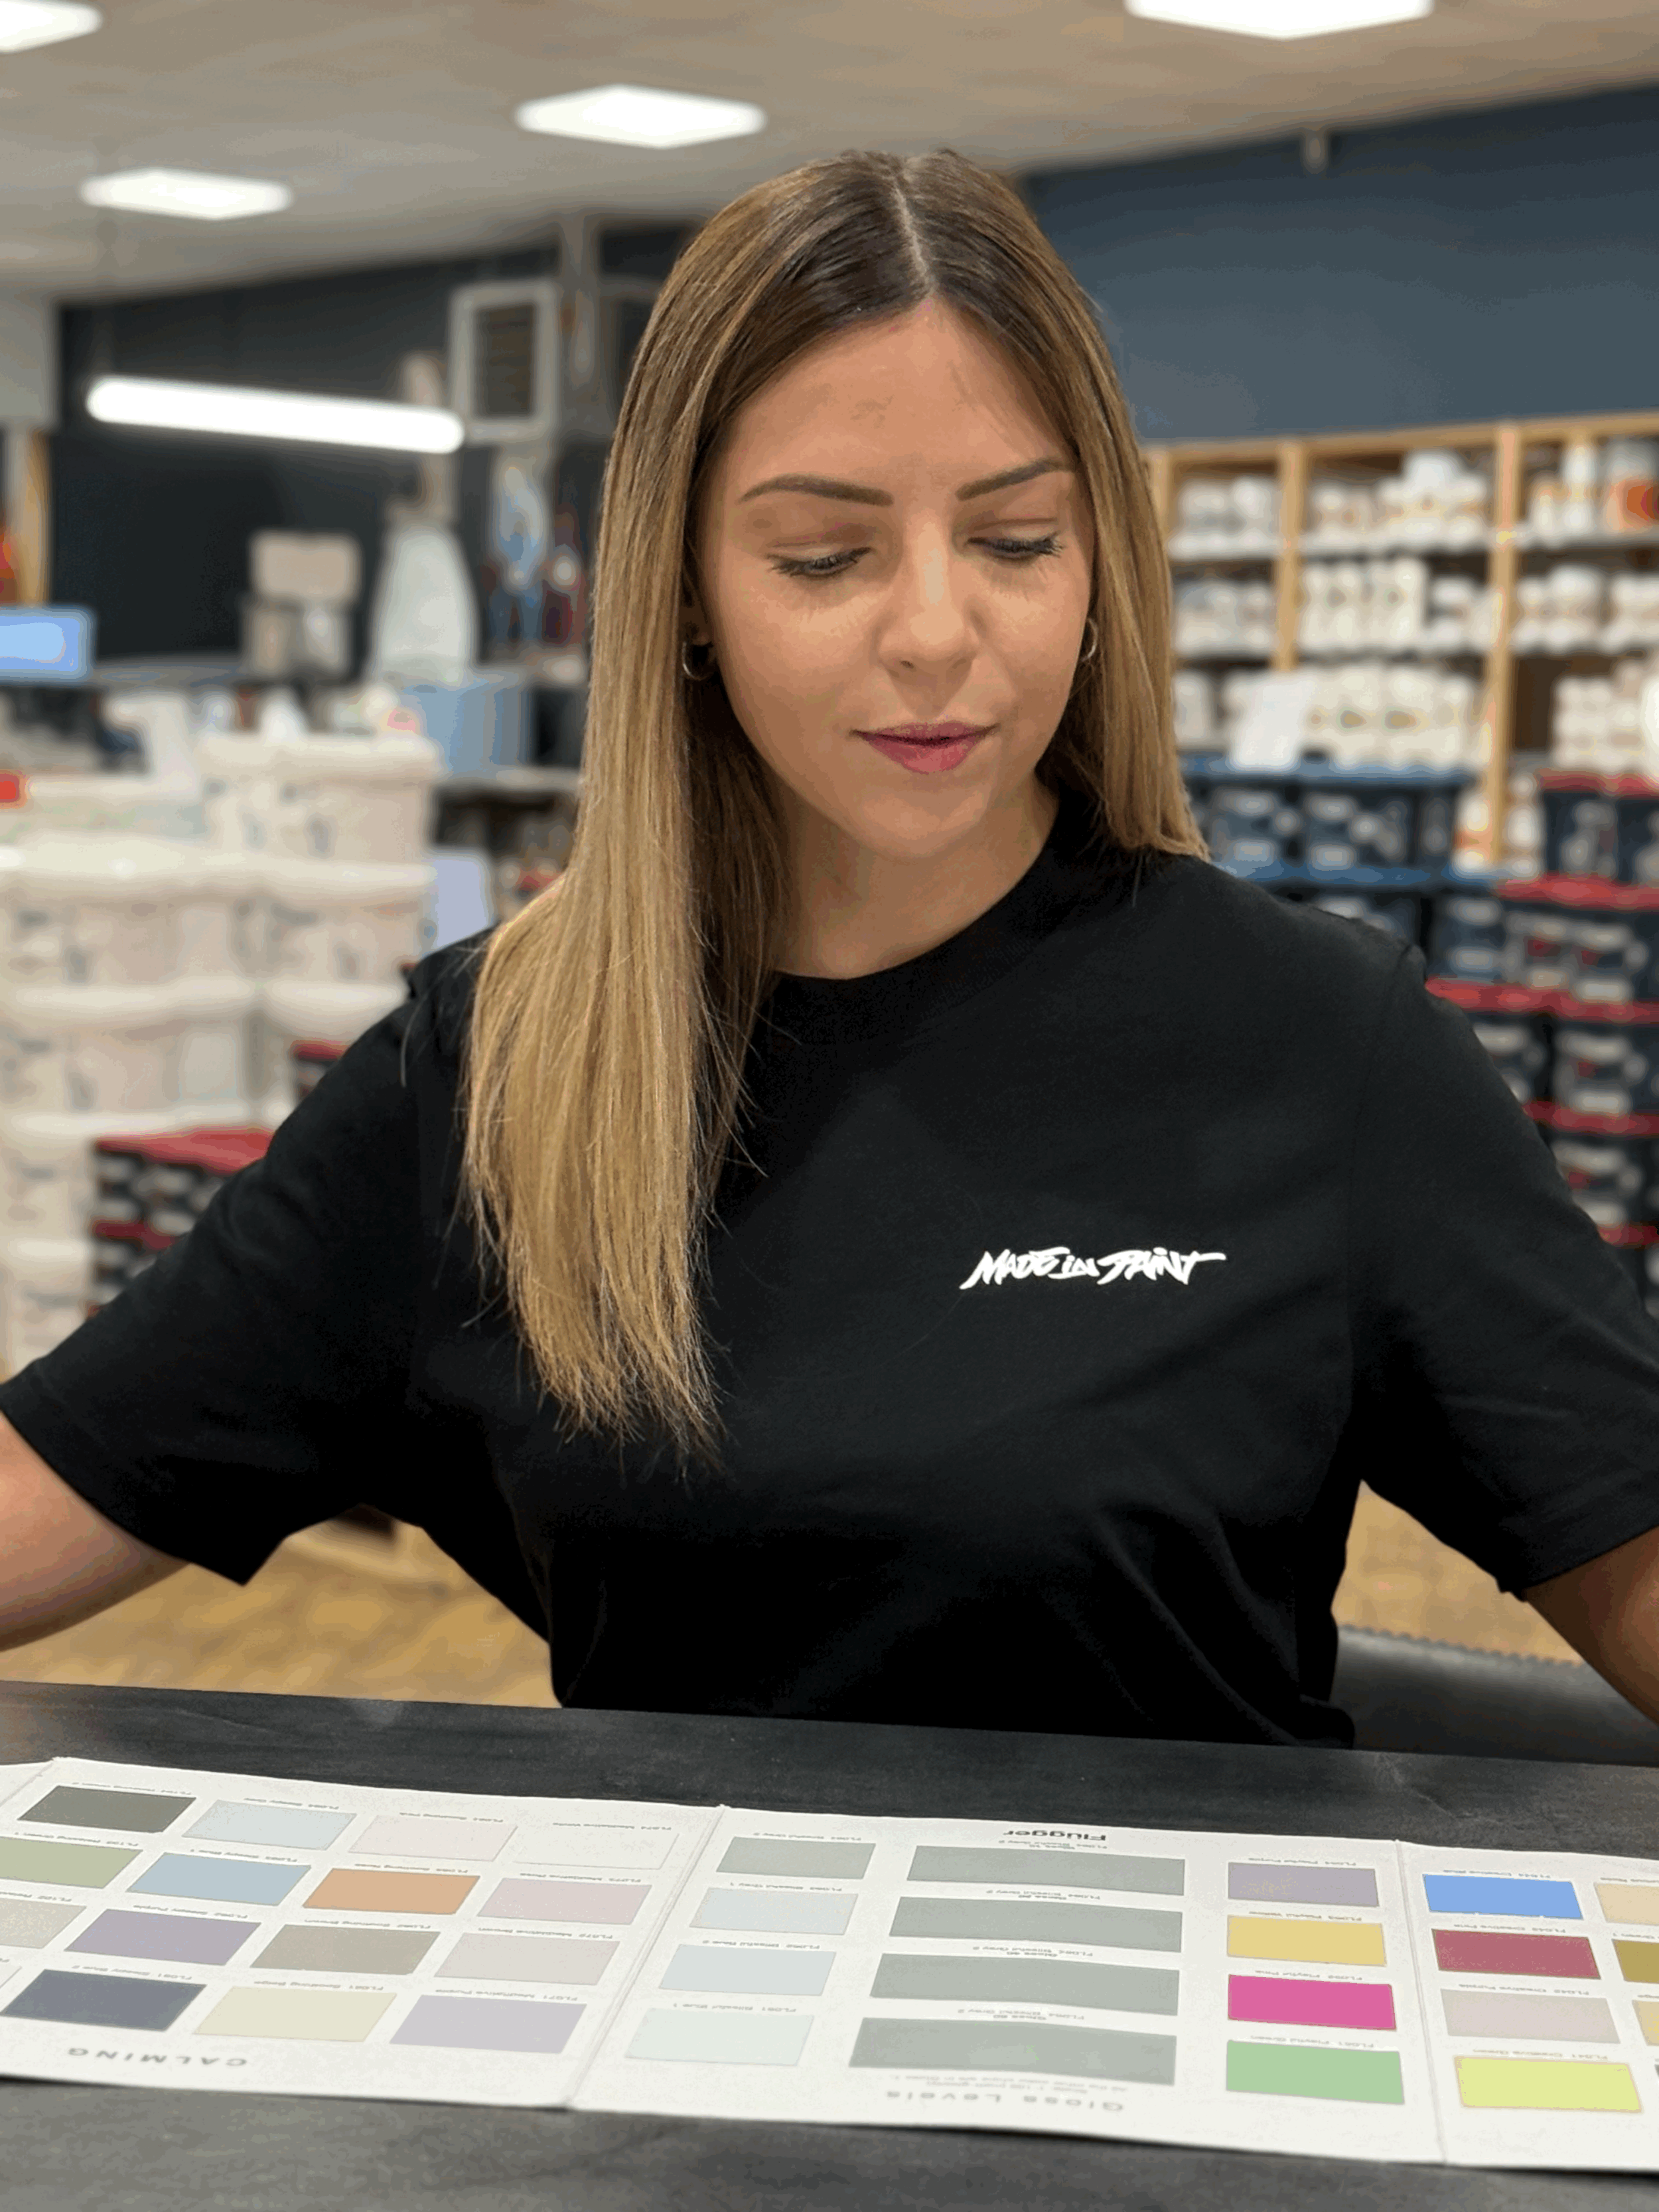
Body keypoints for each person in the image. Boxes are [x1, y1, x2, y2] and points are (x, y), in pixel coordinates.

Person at [4, 148, 1659, 1747]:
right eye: (823, 556)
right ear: (690, 595)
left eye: (1016, 540)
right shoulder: (500, 1068)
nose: (937, 631)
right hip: (677, 2008)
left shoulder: (1317, 1045)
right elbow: (63, 1485)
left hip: (1173, 2010)